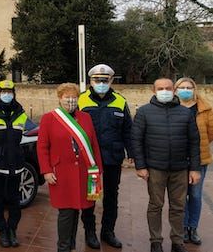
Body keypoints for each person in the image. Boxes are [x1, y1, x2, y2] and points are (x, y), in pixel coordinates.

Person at [131, 78, 201, 252]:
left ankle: (177, 241)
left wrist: (194, 168)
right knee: (155, 205)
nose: (165, 91)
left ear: (174, 90)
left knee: (178, 206)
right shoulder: (144, 112)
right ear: (153, 91)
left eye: (168, 88)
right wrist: (140, 166)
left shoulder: (185, 113)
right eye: (160, 88)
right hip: (155, 168)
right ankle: (156, 241)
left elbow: (194, 142)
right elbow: (136, 140)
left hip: (180, 169)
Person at [37, 83, 103, 252]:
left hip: (86, 171)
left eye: (74, 97)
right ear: (60, 98)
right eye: (67, 97)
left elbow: (94, 144)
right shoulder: (49, 118)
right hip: (62, 173)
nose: (71, 100)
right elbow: (42, 147)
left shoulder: (86, 117)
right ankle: (64, 247)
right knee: (66, 212)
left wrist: (98, 170)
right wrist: (46, 170)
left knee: (86, 207)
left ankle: (82, 239)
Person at [78, 64, 133, 249]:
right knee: (91, 195)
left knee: (111, 195)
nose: (101, 83)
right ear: (91, 81)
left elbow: (128, 130)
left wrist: (132, 153)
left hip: (112, 157)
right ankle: (90, 231)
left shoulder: (120, 101)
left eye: (104, 80)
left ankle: (108, 231)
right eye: (97, 80)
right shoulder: (81, 101)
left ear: (110, 81)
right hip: (90, 159)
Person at [174, 77, 213, 245]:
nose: (186, 90)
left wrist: (200, 145)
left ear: (194, 89)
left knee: (196, 195)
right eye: (182, 87)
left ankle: (193, 227)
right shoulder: (172, 107)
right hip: (178, 160)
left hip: (200, 159)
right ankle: (182, 227)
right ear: (175, 90)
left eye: (189, 87)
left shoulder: (205, 108)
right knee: (181, 196)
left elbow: (211, 133)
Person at [0, 80, 28, 248]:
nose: (7, 94)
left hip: (16, 164)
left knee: (14, 200)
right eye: (4, 91)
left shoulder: (21, 113)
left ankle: (12, 229)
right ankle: (2, 230)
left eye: (10, 91)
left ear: (14, 93)